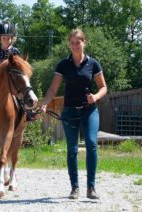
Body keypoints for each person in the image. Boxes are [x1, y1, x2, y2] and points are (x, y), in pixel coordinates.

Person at [39, 29, 107, 199]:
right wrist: (45, 104)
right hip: (69, 111)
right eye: (72, 43)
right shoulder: (63, 65)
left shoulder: (93, 64)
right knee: (72, 150)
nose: (75, 46)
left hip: (89, 111)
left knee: (91, 144)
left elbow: (103, 87)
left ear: (84, 42)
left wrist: (96, 97)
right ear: (69, 44)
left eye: (78, 42)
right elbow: (53, 88)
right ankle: (74, 188)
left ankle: (91, 188)